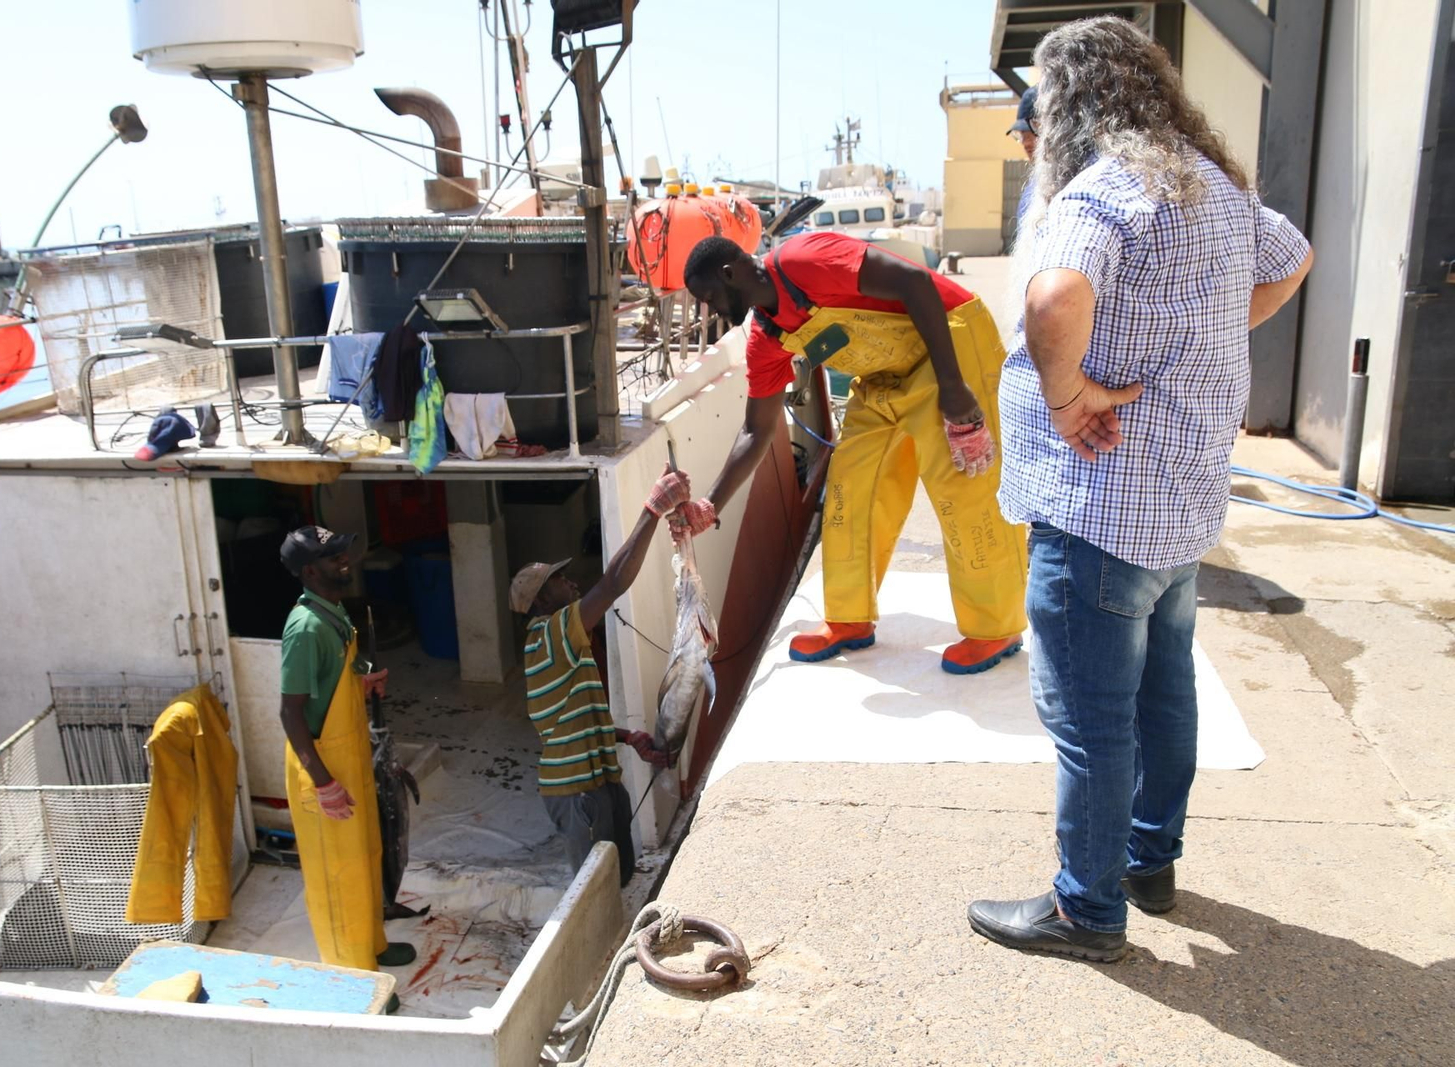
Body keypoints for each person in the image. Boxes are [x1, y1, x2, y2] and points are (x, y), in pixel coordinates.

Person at [967, 17, 1314, 962]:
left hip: (1098, 507)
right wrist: (1211, 331)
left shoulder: (1105, 189)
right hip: (1180, 508)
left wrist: (1066, 392)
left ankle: (1087, 907)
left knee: (1091, 718)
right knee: (1165, 694)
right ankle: (1149, 862)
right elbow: (1292, 256)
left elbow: (1052, 299)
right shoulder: (1212, 186)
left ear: (1073, 102)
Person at [680, 230, 1028, 673]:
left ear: (729, 273)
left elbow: (915, 283)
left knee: (964, 485)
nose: (709, 310)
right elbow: (756, 430)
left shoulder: (803, 259)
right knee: (849, 488)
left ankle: (995, 628)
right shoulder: (767, 339)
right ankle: (849, 618)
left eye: (708, 296)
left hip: (949, 346)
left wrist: (953, 387)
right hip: (883, 377)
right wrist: (708, 506)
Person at [511, 468, 689, 886]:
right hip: (577, 793)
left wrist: (627, 738)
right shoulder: (548, 634)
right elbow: (612, 584)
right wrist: (653, 510)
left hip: (600, 783)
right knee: (598, 889)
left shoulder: (566, 644)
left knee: (620, 877)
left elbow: (576, 720)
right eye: (559, 580)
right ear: (541, 599)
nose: (572, 582)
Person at [278, 525, 416, 971]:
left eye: (342, 552)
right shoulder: (306, 628)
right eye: (332, 556)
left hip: (350, 758)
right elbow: (290, 713)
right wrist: (323, 783)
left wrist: (360, 684)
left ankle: (371, 944)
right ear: (309, 571)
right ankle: (353, 974)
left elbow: (327, 689)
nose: (344, 560)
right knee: (337, 876)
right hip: (324, 768)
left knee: (364, 859)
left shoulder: (334, 613)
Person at [1008, 86, 1039, 227]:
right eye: (1021, 136)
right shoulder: (1032, 189)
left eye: (1030, 133)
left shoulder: (1073, 184)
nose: (1025, 143)